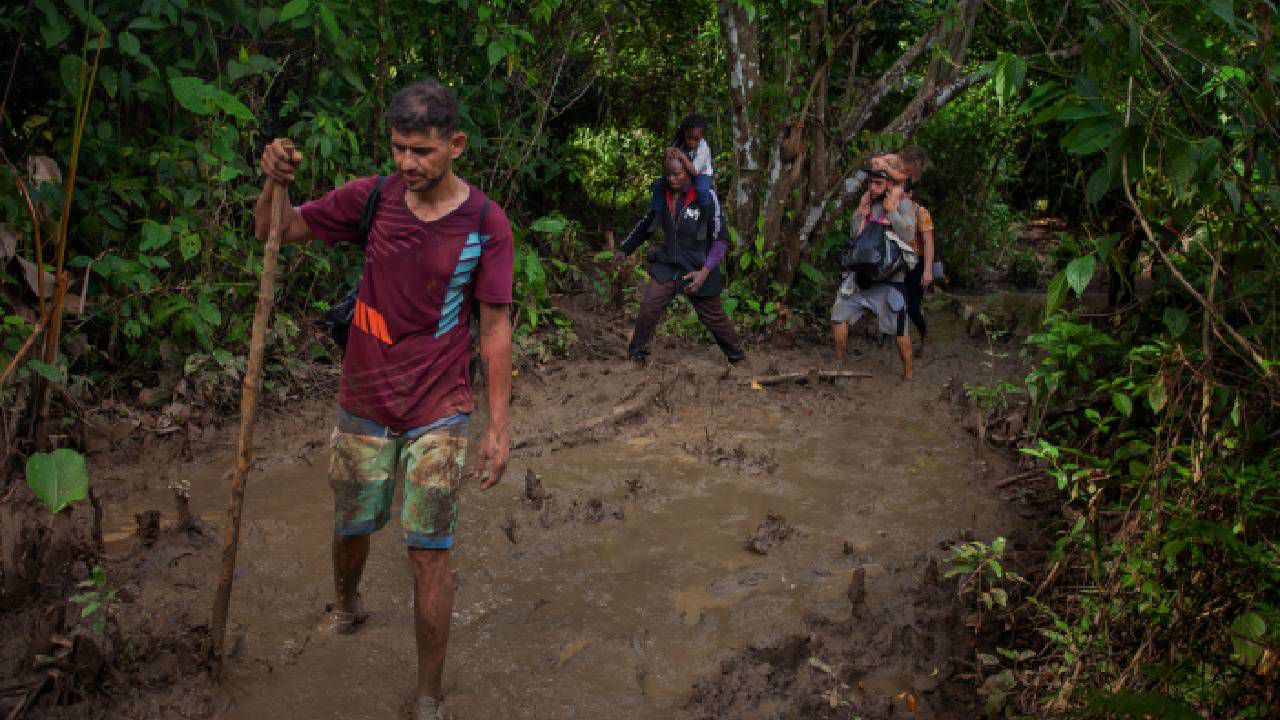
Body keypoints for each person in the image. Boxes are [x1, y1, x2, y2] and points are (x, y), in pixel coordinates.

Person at [255, 79, 513, 720]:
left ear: (455, 146)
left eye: (421, 151)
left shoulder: (486, 223)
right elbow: (274, 231)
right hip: (364, 399)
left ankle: (428, 696)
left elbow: (494, 326)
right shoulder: (372, 197)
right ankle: (346, 606)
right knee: (352, 526)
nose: (407, 163)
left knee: (430, 555)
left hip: (442, 408)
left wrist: (498, 427)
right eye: (398, 148)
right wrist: (273, 180)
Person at [618, 154, 745, 365]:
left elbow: (721, 239)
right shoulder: (663, 196)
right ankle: (636, 355)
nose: (671, 179)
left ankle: (737, 357)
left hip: (698, 266)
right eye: (667, 174)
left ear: (688, 172)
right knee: (649, 305)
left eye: (676, 174)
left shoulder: (705, 197)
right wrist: (625, 249)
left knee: (713, 317)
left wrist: (704, 272)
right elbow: (646, 224)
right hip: (669, 263)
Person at [831, 163, 917, 379]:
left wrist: (891, 212)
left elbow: (908, 235)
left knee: (899, 329)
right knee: (839, 315)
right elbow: (855, 238)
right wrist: (860, 213)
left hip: (890, 278)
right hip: (862, 277)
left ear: (889, 184)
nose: (872, 186)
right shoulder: (867, 202)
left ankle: (908, 374)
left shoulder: (903, 204)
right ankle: (839, 363)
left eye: (878, 183)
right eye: (870, 182)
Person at [649, 113, 715, 213]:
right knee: (659, 185)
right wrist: (668, 152)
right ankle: (656, 213)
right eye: (689, 138)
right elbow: (669, 155)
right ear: (684, 133)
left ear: (702, 136)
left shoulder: (703, 148)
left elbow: (694, 171)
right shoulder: (679, 141)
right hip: (681, 173)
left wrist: (681, 156)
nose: (692, 142)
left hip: (701, 173)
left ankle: (705, 216)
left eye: (695, 139)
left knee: (701, 190)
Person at [903, 180, 935, 348]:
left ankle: (924, 333)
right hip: (899, 262)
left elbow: (928, 242)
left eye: (902, 196)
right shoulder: (894, 211)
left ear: (910, 194)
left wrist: (928, 271)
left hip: (917, 263)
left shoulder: (921, 213)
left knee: (913, 306)